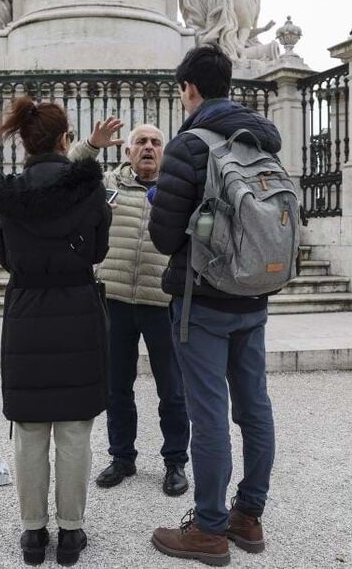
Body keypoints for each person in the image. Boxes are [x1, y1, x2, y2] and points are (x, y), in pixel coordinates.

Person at [148, 44, 282, 566]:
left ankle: (208, 529)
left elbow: (163, 239)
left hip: (201, 300)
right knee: (255, 408)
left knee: (208, 416)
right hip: (254, 292)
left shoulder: (190, 144)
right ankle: (248, 517)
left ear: (190, 89)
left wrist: (163, 200)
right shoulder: (262, 140)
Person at [0, 96, 111, 567]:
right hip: (77, 308)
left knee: (30, 430)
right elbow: (97, 249)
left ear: (23, 144)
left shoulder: (8, 197)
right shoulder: (90, 190)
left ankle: (33, 534)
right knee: (75, 431)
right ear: (65, 139)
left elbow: (2, 255)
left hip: (27, 312)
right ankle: (72, 534)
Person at [69, 122, 190, 497]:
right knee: (117, 387)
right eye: (141, 142)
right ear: (127, 152)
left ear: (163, 153)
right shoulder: (106, 184)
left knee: (172, 390)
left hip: (161, 301)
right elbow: (68, 172)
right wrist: (91, 145)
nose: (149, 148)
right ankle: (122, 457)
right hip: (115, 299)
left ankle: (175, 462)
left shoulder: (176, 190)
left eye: (155, 142)